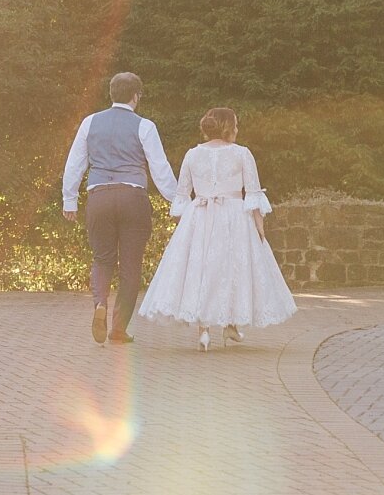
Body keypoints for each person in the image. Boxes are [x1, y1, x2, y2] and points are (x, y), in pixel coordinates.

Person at [137, 107, 296, 350]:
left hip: (199, 215)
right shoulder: (242, 154)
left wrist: (184, 229)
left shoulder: (192, 155)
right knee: (231, 268)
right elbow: (253, 193)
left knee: (202, 269)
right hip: (234, 216)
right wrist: (260, 227)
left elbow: (182, 194)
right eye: (236, 124)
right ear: (228, 127)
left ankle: (206, 331)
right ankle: (229, 325)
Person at [62, 72, 180, 345]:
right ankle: (118, 328)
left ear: (111, 94)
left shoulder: (89, 122)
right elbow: (159, 168)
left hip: (99, 196)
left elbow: (75, 163)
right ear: (136, 96)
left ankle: (99, 304)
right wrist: (177, 202)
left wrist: (70, 200)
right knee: (130, 265)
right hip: (132, 198)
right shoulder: (144, 126)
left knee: (102, 258)